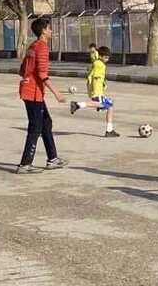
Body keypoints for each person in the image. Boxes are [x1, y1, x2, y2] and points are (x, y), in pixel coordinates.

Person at [17, 18, 68, 174]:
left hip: (30, 90)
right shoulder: (42, 48)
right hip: (33, 93)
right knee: (36, 127)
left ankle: (52, 158)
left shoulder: (32, 46)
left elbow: (22, 70)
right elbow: (42, 74)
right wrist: (57, 93)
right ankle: (25, 164)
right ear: (44, 31)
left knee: (46, 122)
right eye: (49, 28)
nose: (51, 31)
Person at [71, 45, 120, 137]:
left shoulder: (97, 63)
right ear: (100, 56)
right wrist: (94, 91)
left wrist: (102, 85)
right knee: (103, 104)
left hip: (98, 90)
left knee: (110, 106)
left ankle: (109, 130)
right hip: (97, 91)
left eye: (108, 57)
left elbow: (94, 77)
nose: (107, 59)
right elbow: (95, 78)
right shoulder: (100, 65)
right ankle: (77, 105)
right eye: (105, 57)